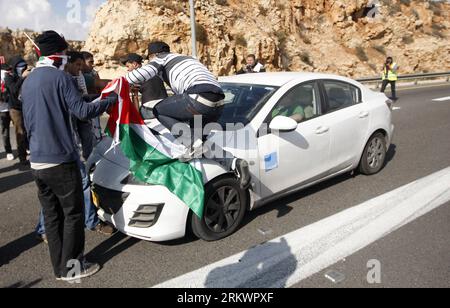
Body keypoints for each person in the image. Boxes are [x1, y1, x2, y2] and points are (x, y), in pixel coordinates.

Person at [21, 30, 117, 282]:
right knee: (73, 215)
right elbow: (82, 111)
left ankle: (60, 268)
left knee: (53, 217)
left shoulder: (29, 80)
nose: (66, 58)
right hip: (60, 161)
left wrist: (97, 96)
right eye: (64, 53)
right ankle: (73, 267)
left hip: (37, 162)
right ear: (57, 55)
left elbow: (62, 104)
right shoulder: (60, 77)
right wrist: (109, 101)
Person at [125, 41, 250, 188]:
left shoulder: (160, 59)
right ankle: (234, 162)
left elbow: (139, 75)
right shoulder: (188, 58)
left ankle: (192, 144)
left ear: (153, 55)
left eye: (149, 59)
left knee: (158, 110)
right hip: (218, 104)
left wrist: (119, 82)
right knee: (201, 145)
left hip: (198, 98)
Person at [34, 51, 116, 244]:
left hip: (49, 149)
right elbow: (81, 111)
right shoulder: (63, 81)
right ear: (67, 63)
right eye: (77, 65)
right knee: (80, 184)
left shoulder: (41, 83)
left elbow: (81, 102)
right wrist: (109, 101)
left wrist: (101, 97)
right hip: (60, 149)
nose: (80, 69)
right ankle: (89, 222)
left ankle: (44, 228)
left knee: (55, 191)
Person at [4, 56, 30, 165]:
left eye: (24, 66)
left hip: (26, 105)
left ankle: (30, 149)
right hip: (15, 108)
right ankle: (22, 157)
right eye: (21, 67)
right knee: (20, 132)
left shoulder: (26, 75)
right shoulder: (9, 77)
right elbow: (14, 90)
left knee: (30, 129)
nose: (23, 69)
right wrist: (22, 78)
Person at [1, 64, 14, 160]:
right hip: (2, 109)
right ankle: (8, 151)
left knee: (20, 128)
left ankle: (24, 147)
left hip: (12, 106)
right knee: (5, 131)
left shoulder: (8, 75)